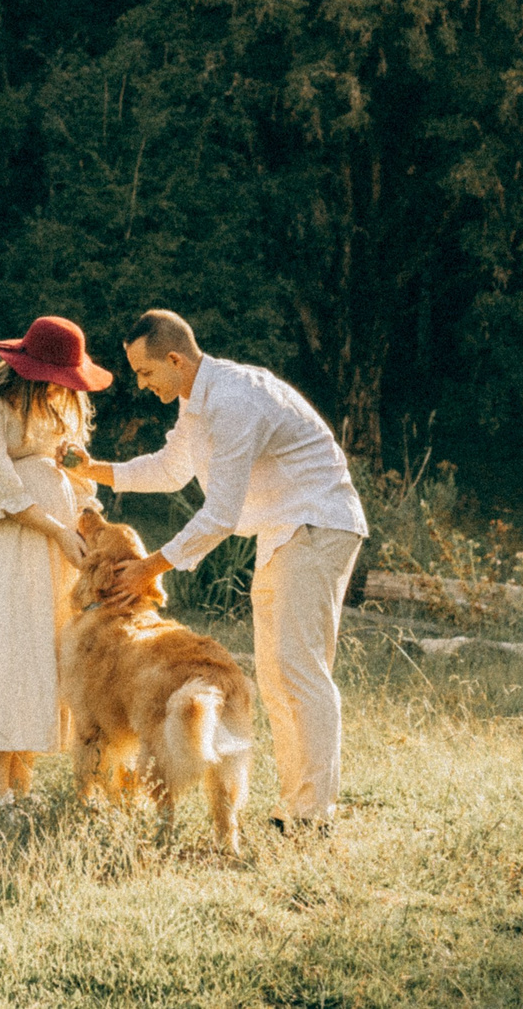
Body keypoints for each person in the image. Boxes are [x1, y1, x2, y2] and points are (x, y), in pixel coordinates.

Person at [60, 309, 367, 831]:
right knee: (274, 674)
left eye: (146, 372)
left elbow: (220, 514)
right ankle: (294, 806)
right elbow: (169, 468)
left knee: (301, 668)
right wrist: (93, 470)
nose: (141, 384)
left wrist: (147, 569)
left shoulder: (231, 401)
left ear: (175, 359)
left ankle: (316, 814)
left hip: (317, 524)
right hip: (283, 531)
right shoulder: (195, 404)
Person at [0, 314, 111, 802]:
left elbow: (76, 472)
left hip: (53, 553)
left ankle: (22, 783)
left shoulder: (64, 404)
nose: (63, 388)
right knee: (3, 652)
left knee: (40, 652)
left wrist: (87, 516)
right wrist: (55, 528)